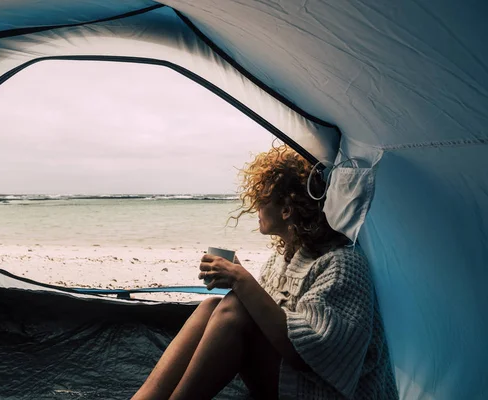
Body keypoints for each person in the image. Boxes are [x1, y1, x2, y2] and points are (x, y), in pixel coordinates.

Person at [132, 144, 398, 399]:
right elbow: (266, 319)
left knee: (234, 308)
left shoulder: (342, 265)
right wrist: (239, 276)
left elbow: (306, 356)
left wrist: (241, 279)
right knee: (211, 305)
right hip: (289, 378)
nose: (256, 208)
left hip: (324, 391)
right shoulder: (281, 259)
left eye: (262, 199)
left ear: (286, 209)